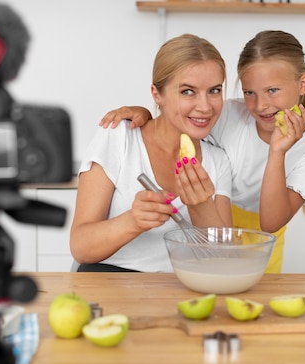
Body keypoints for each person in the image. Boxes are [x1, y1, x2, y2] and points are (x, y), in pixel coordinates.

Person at [100, 30, 305, 272]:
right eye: (249, 93)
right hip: (218, 220)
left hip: (260, 240)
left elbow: (270, 222)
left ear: (302, 84)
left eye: (272, 90)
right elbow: (182, 118)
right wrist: (146, 114)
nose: (260, 105)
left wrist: (277, 152)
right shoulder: (229, 115)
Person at [70, 34, 233, 273]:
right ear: (157, 95)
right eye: (188, 91)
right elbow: (80, 246)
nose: (205, 106)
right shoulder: (119, 137)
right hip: (108, 282)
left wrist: (201, 206)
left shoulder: (218, 161)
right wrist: (132, 221)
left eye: (214, 90)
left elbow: (223, 262)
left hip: (182, 289)